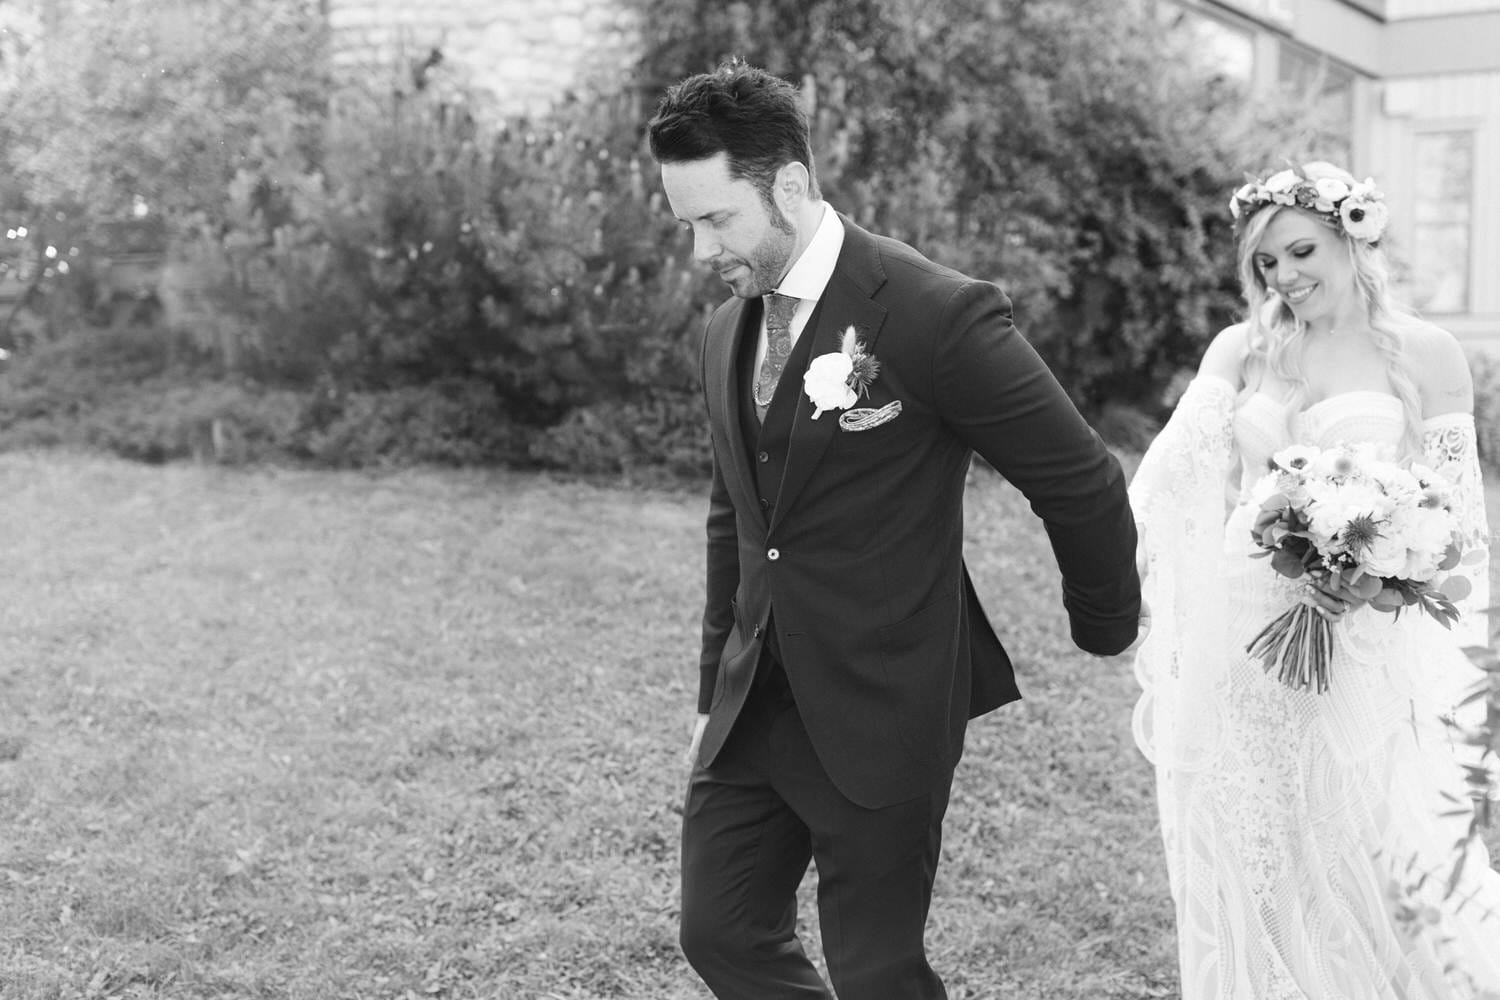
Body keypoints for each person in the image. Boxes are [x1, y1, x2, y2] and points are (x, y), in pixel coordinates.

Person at [646, 61, 1142, 1000]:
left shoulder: (930, 311)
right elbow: (735, 520)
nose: (702, 249)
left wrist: (1105, 624)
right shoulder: (725, 330)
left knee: (878, 972)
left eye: (718, 219)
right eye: (687, 225)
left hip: (883, 699)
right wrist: (713, 685)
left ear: (789, 183)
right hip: (756, 699)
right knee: (719, 934)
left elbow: (1077, 475)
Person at [1130, 161, 1500, 999]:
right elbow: (1175, 470)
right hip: (1244, 630)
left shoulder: (1429, 352)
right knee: (1259, 839)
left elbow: (1462, 533)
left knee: (1362, 839)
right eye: (1265, 263)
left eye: (1301, 252)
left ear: (1352, 237)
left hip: (1363, 640)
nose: (1285, 277)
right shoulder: (1245, 345)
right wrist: (1115, 525)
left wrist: (1378, 580)